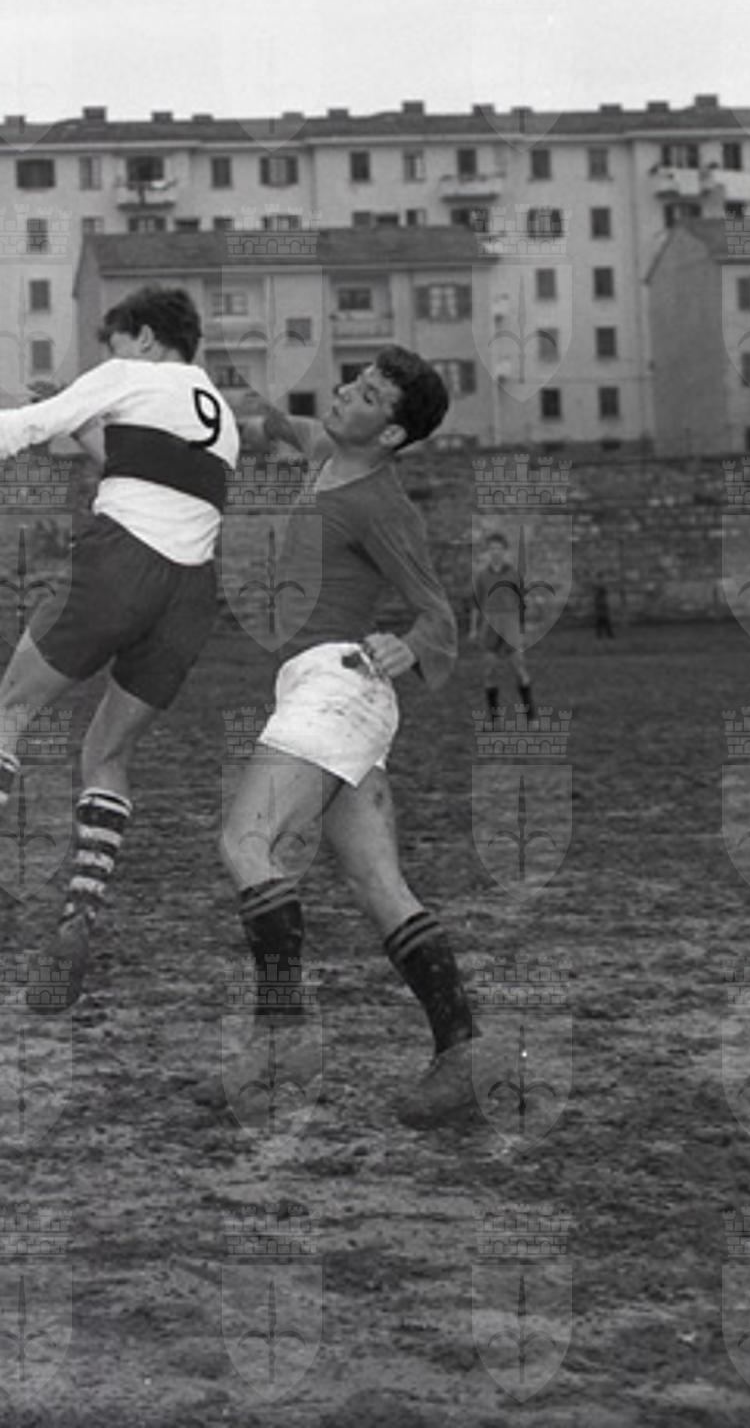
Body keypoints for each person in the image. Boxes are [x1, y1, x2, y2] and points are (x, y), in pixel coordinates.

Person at [0, 283, 239, 1013]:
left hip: (120, 564)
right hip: (191, 593)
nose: (114, 355)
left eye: (118, 342)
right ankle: (79, 918)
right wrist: (83, 422)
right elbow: (134, 467)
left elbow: (16, 430)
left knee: (11, 706)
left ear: (144, 338)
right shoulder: (217, 413)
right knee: (106, 753)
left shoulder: (129, 374)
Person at [208, 350, 477, 1129]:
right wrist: (172, 395)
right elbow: (266, 422)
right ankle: (462, 1054)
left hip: (338, 685)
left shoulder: (381, 505)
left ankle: (281, 1045)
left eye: (366, 395)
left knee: (245, 843)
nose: (344, 393)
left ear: (390, 433)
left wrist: (408, 645)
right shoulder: (325, 449)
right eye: (352, 382)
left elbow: (437, 613)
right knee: (375, 883)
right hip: (322, 690)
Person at [472, 530, 537, 723]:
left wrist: (523, 629)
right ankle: (494, 717)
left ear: (505, 551)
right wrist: (473, 628)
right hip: (490, 624)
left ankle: (530, 714)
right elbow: (476, 605)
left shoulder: (514, 575)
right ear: (488, 552)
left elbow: (522, 603)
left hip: (510, 623)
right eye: (492, 549)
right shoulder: (482, 577)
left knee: (519, 668)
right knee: (489, 671)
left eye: (499, 549)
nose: (495, 552)